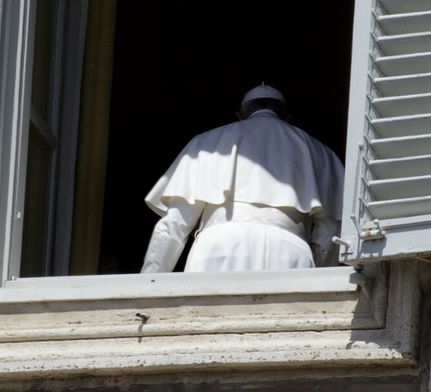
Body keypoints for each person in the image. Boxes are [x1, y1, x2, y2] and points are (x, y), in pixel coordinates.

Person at [140, 84, 345, 273]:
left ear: (240, 115)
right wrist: (320, 275)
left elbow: (174, 225)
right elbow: (330, 232)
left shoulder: (207, 142)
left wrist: (148, 284)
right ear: (287, 117)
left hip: (218, 247)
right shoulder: (319, 151)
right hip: (290, 251)